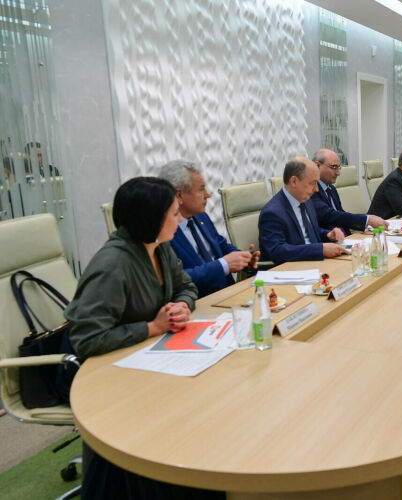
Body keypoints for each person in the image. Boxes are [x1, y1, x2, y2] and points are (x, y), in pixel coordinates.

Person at [65, 177, 221, 499]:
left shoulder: (159, 248)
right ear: (152, 220)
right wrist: (153, 327)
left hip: (152, 358)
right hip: (110, 375)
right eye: (173, 214)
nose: (179, 220)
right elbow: (87, 338)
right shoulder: (112, 265)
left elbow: (186, 286)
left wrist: (182, 305)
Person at [159, 160, 260, 298]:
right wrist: (223, 265)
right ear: (179, 195)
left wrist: (243, 258)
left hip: (229, 293)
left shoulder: (200, 216)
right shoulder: (163, 231)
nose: (208, 195)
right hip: (198, 300)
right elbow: (176, 279)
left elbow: (221, 245)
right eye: (201, 189)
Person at [259, 156, 348, 264]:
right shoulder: (272, 213)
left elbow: (308, 232)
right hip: (293, 268)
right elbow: (277, 251)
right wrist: (320, 249)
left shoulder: (306, 201)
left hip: (317, 262)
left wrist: (327, 234)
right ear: (294, 181)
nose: (316, 189)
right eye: (312, 183)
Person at [310, 148, 386, 232]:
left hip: (346, 236)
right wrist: (366, 220)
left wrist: (366, 224)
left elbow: (340, 214)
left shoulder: (331, 189)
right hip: (329, 238)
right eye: (334, 167)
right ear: (317, 165)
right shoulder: (311, 189)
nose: (338, 173)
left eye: (338, 168)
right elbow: (329, 215)